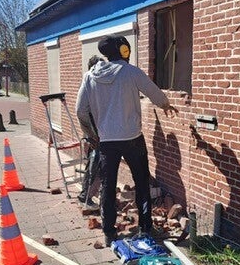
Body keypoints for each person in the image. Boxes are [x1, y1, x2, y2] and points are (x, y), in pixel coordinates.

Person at [76, 34, 178, 246]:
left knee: (108, 186)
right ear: (124, 50)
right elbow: (155, 94)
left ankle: (109, 232)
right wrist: (165, 105)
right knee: (141, 183)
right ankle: (145, 228)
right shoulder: (131, 72)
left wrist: (93, 134)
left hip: (106, 142)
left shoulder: (89, 76)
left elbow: (81, 111)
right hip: (132, 139)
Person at [77, 56, 101, 209]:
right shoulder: (90, 84)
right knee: (95, 164)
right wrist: (91, 135)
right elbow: (81, 111)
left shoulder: (92, 84)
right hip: (95, 133)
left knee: (95, 164)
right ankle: (86, 197)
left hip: (95, 131)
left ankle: (88, 195)